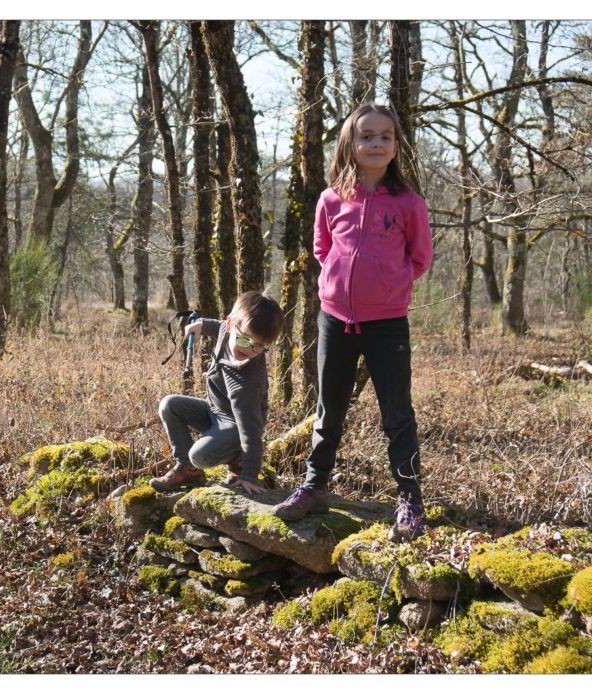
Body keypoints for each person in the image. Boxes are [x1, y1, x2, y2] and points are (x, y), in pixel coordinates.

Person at [271, 104, 433, 542]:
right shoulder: (331, 198)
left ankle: (410, 501)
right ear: (351, 143)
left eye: (385, 136)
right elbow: (322, 249)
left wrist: (388, 284)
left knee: (397, 414)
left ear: (395, 146)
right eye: (367, 136)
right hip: (335, 321)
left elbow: (420, 259)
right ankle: (315, 487)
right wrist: (337, 283)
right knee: (329, 411)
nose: (376, 143)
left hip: (387, 324)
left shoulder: (408, 203)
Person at [150, 291, 284, 496]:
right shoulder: (226, 331)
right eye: (245, 339)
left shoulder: (247, 383)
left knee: (199, 456)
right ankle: (188, 470)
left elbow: (252, 431)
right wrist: (201, 325)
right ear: (231, 326)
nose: (249, 350)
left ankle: (237, 459)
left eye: (259, 346)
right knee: (169, 405)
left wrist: (249, 474)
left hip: (236, 425)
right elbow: (219, 326)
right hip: (214, 411)